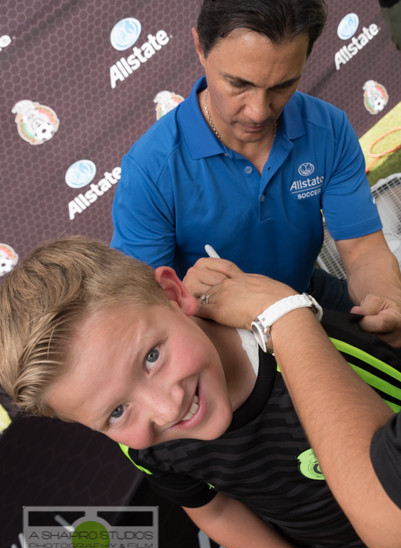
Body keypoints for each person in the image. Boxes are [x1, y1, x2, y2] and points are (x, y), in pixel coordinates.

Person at [1, 236, 401, 548]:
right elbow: (215, 509)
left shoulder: (325, 349)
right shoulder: (141, 447)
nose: (166, 408)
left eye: (151, 357)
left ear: (173, 294)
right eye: (117, 411)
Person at [110, 0, 401, 348]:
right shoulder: (150, 170)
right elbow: (140, 311)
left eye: (282, 86)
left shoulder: (328, 129)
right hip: (216, 331)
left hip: (304, 291)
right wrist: (186, 296)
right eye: (239, 84)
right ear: (201, 48)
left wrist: (386, 302)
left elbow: (362, 249)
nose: (258, 112)